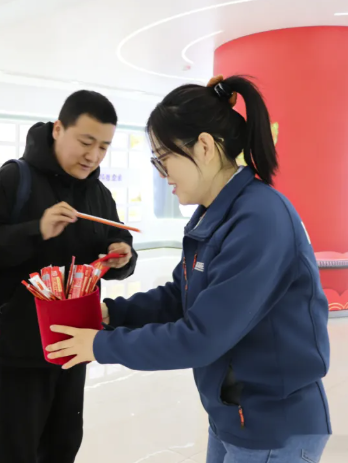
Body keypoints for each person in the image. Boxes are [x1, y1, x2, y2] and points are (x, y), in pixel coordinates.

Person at [46, 76, 332, 462]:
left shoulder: (259, 219)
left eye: (163, 158)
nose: (162, 174)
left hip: (272, 426)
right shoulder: (212, 214)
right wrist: (112, 313)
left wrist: (99, 346)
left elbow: (202, 337)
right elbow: (180, 297)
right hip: (231, 414)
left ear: (204, 147)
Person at [0, 90, 138, 463]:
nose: (93, 156)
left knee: (63, 444)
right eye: (85, 142)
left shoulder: (98, 194)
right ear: (57, 129)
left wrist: (122, 257)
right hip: (14, 347)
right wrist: (35, 229)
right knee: (16, 450)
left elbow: (119, 245)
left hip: (73, 344)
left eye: (103, 147)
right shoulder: (14, 179)